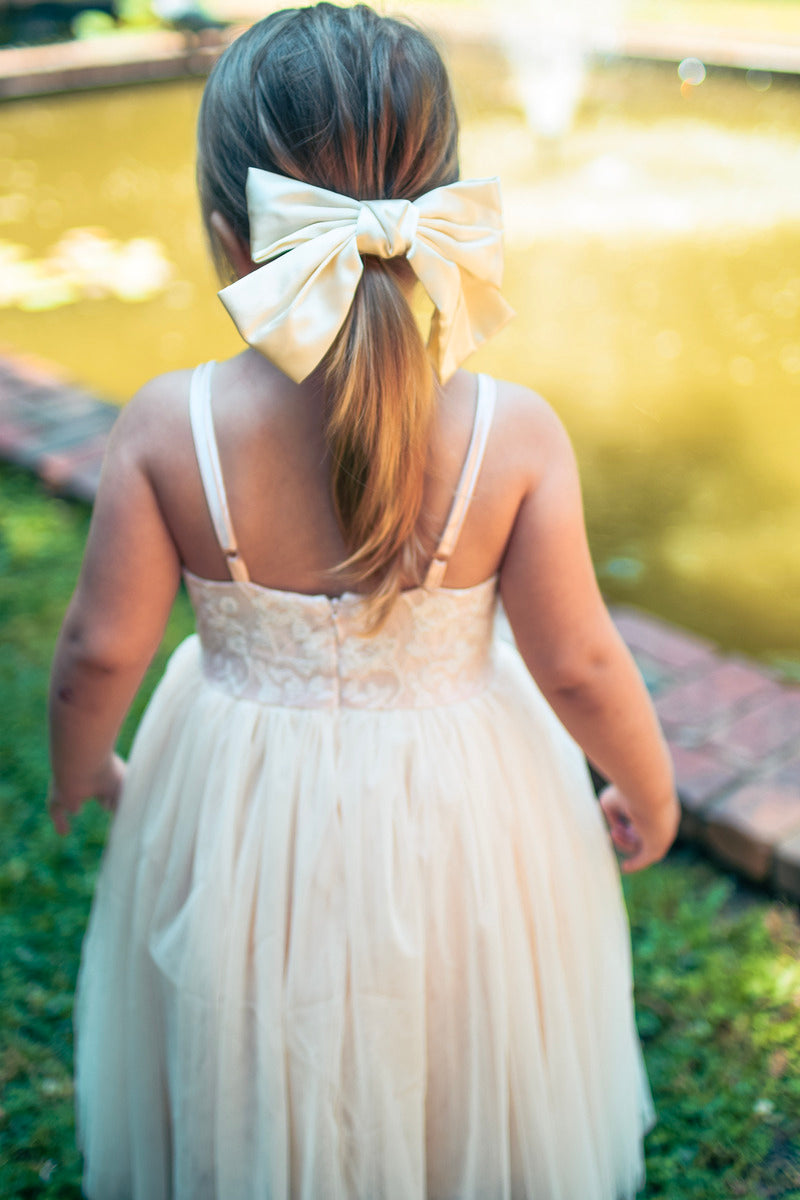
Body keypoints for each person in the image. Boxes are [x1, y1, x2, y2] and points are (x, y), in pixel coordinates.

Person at [48, 4, 679, 1197]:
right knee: (459, 1043)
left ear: (230, 239)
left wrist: (84, 771)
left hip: (235, 796)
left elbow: (95, 654)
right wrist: (648, 794)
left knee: (238, 1033)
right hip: (467, 811)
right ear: (440, 213)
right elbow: (583, 665)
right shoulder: (514, 432)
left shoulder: (165, 427)